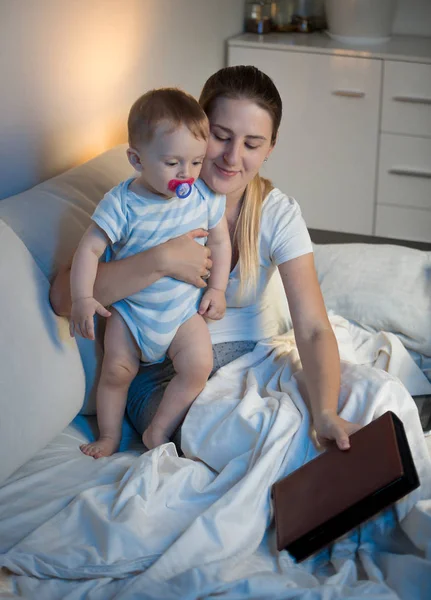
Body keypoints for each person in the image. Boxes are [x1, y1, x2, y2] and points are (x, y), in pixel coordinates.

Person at [50, 66, 361, 453]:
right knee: (249, 439)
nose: (232, 157)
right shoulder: (151, 195)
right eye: (221, 136)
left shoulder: (277, 214)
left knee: (362, 402)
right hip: (165, 373)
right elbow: (65, 297)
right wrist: (161, 260)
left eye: (252, 143)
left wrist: (327, 411)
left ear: (270, 148)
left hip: (251, 359)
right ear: (197, 128)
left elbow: (314, 328)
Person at [68, 88, 231, 458]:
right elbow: (89, 249)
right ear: (137, 159)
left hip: (181, 313)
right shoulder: (122, 202)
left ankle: (158, 430)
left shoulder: (203, 195)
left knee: (198, 364)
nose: (186, 174)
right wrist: (82, 298)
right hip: (132, 314)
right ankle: (109, 437)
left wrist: (217, 289)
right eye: (173, 163)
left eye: (195, 162)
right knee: (116, 372)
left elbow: (220, 242)